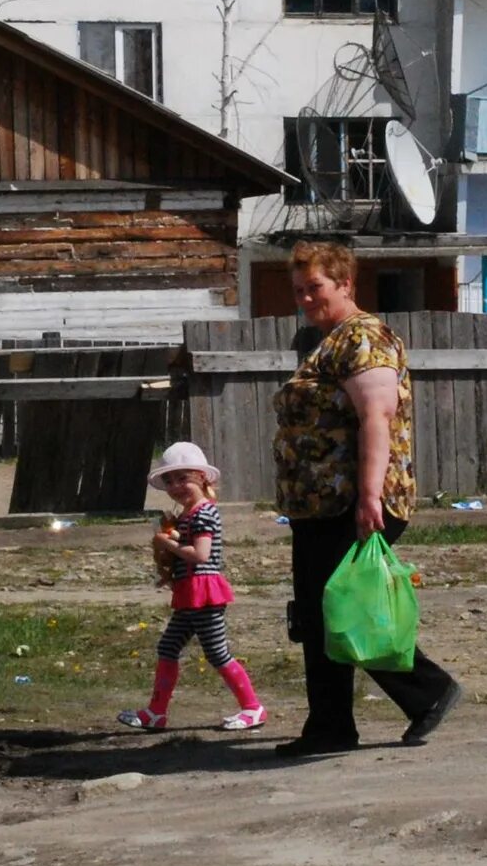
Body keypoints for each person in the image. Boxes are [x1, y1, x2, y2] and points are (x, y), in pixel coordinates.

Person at [271, 237, 463, 756]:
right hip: (319, 506)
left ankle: (428, 692)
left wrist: (368, 497)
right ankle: (331, 725)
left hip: (349, 503)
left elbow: (375, 418)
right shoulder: (329, 340)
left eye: (316, 287)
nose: (306, 298)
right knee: (318, 614)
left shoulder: (365, 338)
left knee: (343, 612)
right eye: (298, 290)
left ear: (346, 283)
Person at [118, 440, 268, 733]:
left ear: (201, 477)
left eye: (182, 478)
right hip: (190, 592)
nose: (175, 486)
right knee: (169, 646)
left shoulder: (203, 513)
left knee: (216, 652)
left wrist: (168, 544)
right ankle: (156, 712)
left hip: (204, 592)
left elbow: (200, 555)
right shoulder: (189, 514)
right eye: (169, 481)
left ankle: (253, 708)